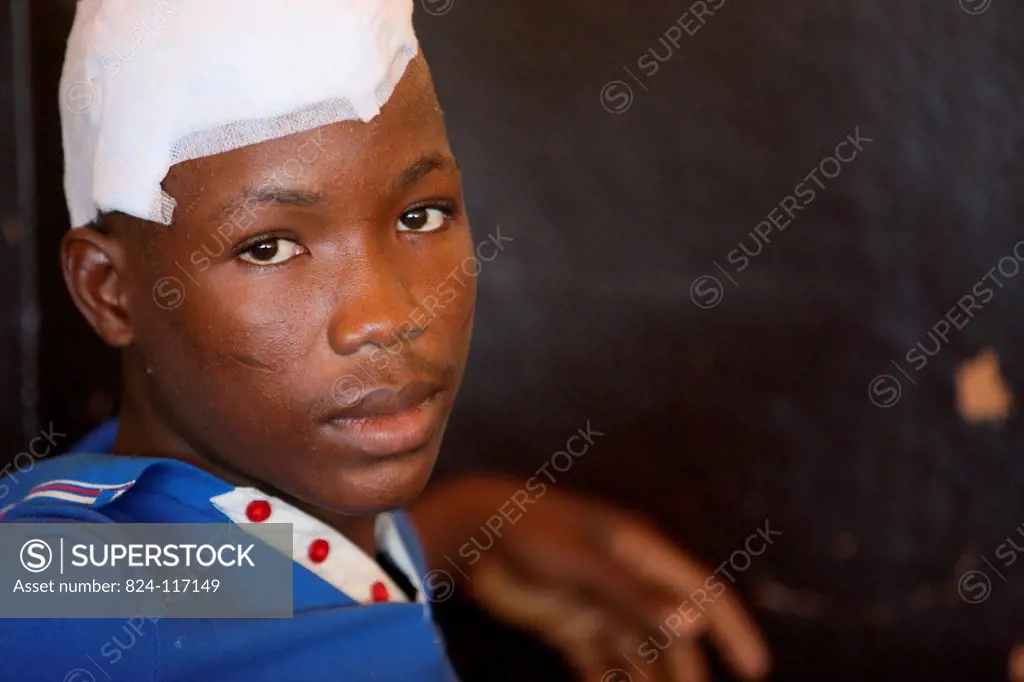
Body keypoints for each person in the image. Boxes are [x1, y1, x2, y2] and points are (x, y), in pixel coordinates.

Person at [0, 1, 769, 680]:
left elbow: (212, 585)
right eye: (267, 247)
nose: (385, 316)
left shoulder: (136, 560)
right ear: (109, 290)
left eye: (421, 215)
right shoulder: (65, 600)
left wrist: (444, 533)